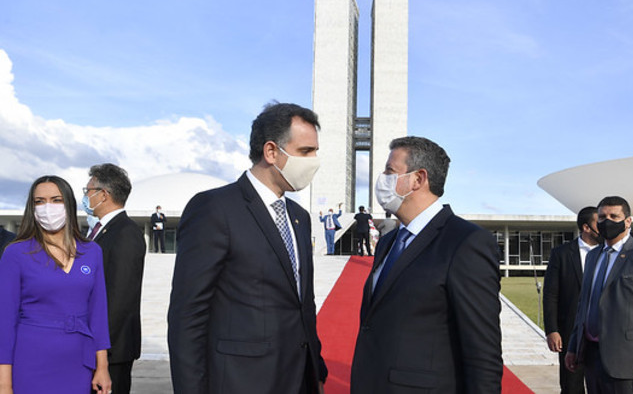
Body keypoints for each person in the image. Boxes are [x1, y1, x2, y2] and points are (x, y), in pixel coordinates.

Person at [167, 102, 327, 394]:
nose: (314, 160)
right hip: (241, 380)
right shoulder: (215, 208)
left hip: (298, 377)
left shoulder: (299, 217)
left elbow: (304, 302)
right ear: (271, 152)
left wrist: (316, 368)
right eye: (306, 151)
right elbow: (188, 314)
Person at [351, 136, 502, 393]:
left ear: (418, 179)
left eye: (390, 171)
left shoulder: (466, 242)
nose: (382, 179)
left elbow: (482, 353)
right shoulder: (388, 242)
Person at [0, 175, 111, 394]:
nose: (47, 207)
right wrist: (4, 384)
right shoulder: (15, 253)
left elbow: (98, 315)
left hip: (78, 363)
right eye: (39, 201)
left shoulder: (92, 252)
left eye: (56, 199)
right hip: (30, 361)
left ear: (69, 204)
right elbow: (4, 322)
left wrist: (103, 367)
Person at [565, 196, 633, 394]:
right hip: (591, 356)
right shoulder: (592, 256)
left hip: (626, 362)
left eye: (614, 216)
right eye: (602, 217)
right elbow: (584, 304)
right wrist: (573, 346)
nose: (607, 221)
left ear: (628, 221)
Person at [84, 163, 147, 394]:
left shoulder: (126, 233)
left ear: (103, 194)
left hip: (111, 350)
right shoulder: (102, 230)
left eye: (88, 191)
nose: (86, 197)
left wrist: (100, 351)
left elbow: (119, 299)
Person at [543, 206, 602, 394]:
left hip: (603, 333)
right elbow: (551, 294)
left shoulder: (609, 253)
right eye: (598, 223)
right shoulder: (561, 254)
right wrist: (552, 330)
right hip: (570, 331)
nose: (603, 226)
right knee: (571, 386)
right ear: (586, 227)